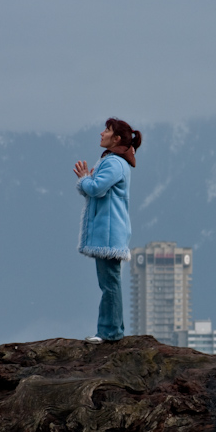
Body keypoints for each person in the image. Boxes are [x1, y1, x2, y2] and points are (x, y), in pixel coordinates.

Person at [73, 117, 142, 343]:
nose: (101, 133)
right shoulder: (115, 162)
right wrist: (89, 180)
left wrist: (85, 179)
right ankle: (113, 330)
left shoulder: (113, 163)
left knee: (109, 285)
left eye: (107, 130)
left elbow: (96, 188)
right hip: (111, 232)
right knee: (110, 283)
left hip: (109, 233)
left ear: (117, 138)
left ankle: (109, 332)